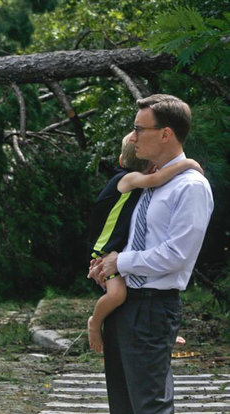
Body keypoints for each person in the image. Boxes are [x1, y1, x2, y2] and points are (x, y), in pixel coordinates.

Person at [88, 94, 214, 414]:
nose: (132, 137)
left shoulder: (190, 186)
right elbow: (132, 234)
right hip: (126, 305)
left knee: (149, 406)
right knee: (124, 404)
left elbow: (177, 254)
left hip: (151, 307)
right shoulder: (149, 183)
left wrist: (121, 261)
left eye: (138, 129)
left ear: (165, 133)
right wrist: (105, 265)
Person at [87, 133, 203, 353]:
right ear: (151, 168)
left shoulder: (135, 184)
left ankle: (163, 333)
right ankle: (94, 322)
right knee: (117, 294)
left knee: (130, 289)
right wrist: (187, 163)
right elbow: (157, 179)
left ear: (121, 159)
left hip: (118, 249)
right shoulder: (127, 179)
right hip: (104, 250)